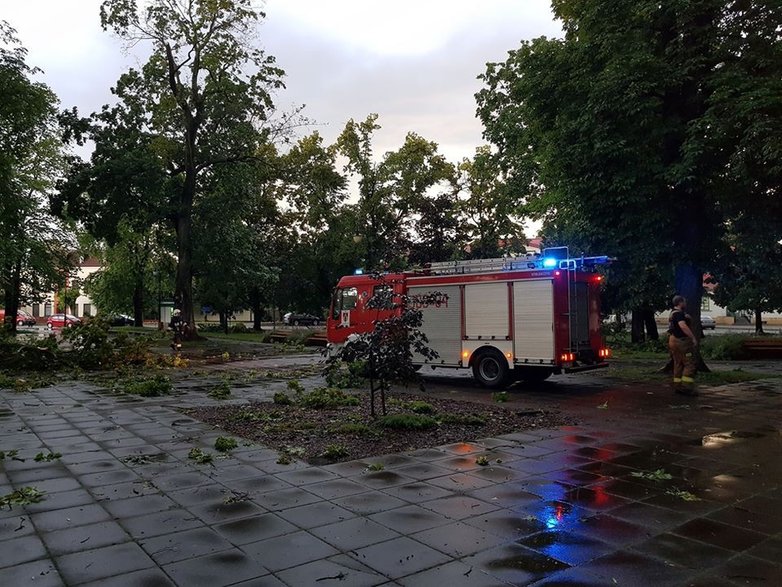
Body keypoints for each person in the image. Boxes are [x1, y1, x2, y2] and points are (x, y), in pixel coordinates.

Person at [667, 295, 698, 394]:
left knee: (678, 363)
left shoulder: (672, 314)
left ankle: (678, 386)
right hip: (682, 342)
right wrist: (693, 337)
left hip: (673, 340)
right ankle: (686, 387)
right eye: (684, 302)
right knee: (689, 363)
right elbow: (683, 326)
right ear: (680, 303)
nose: (685, 303)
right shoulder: (679, 314)